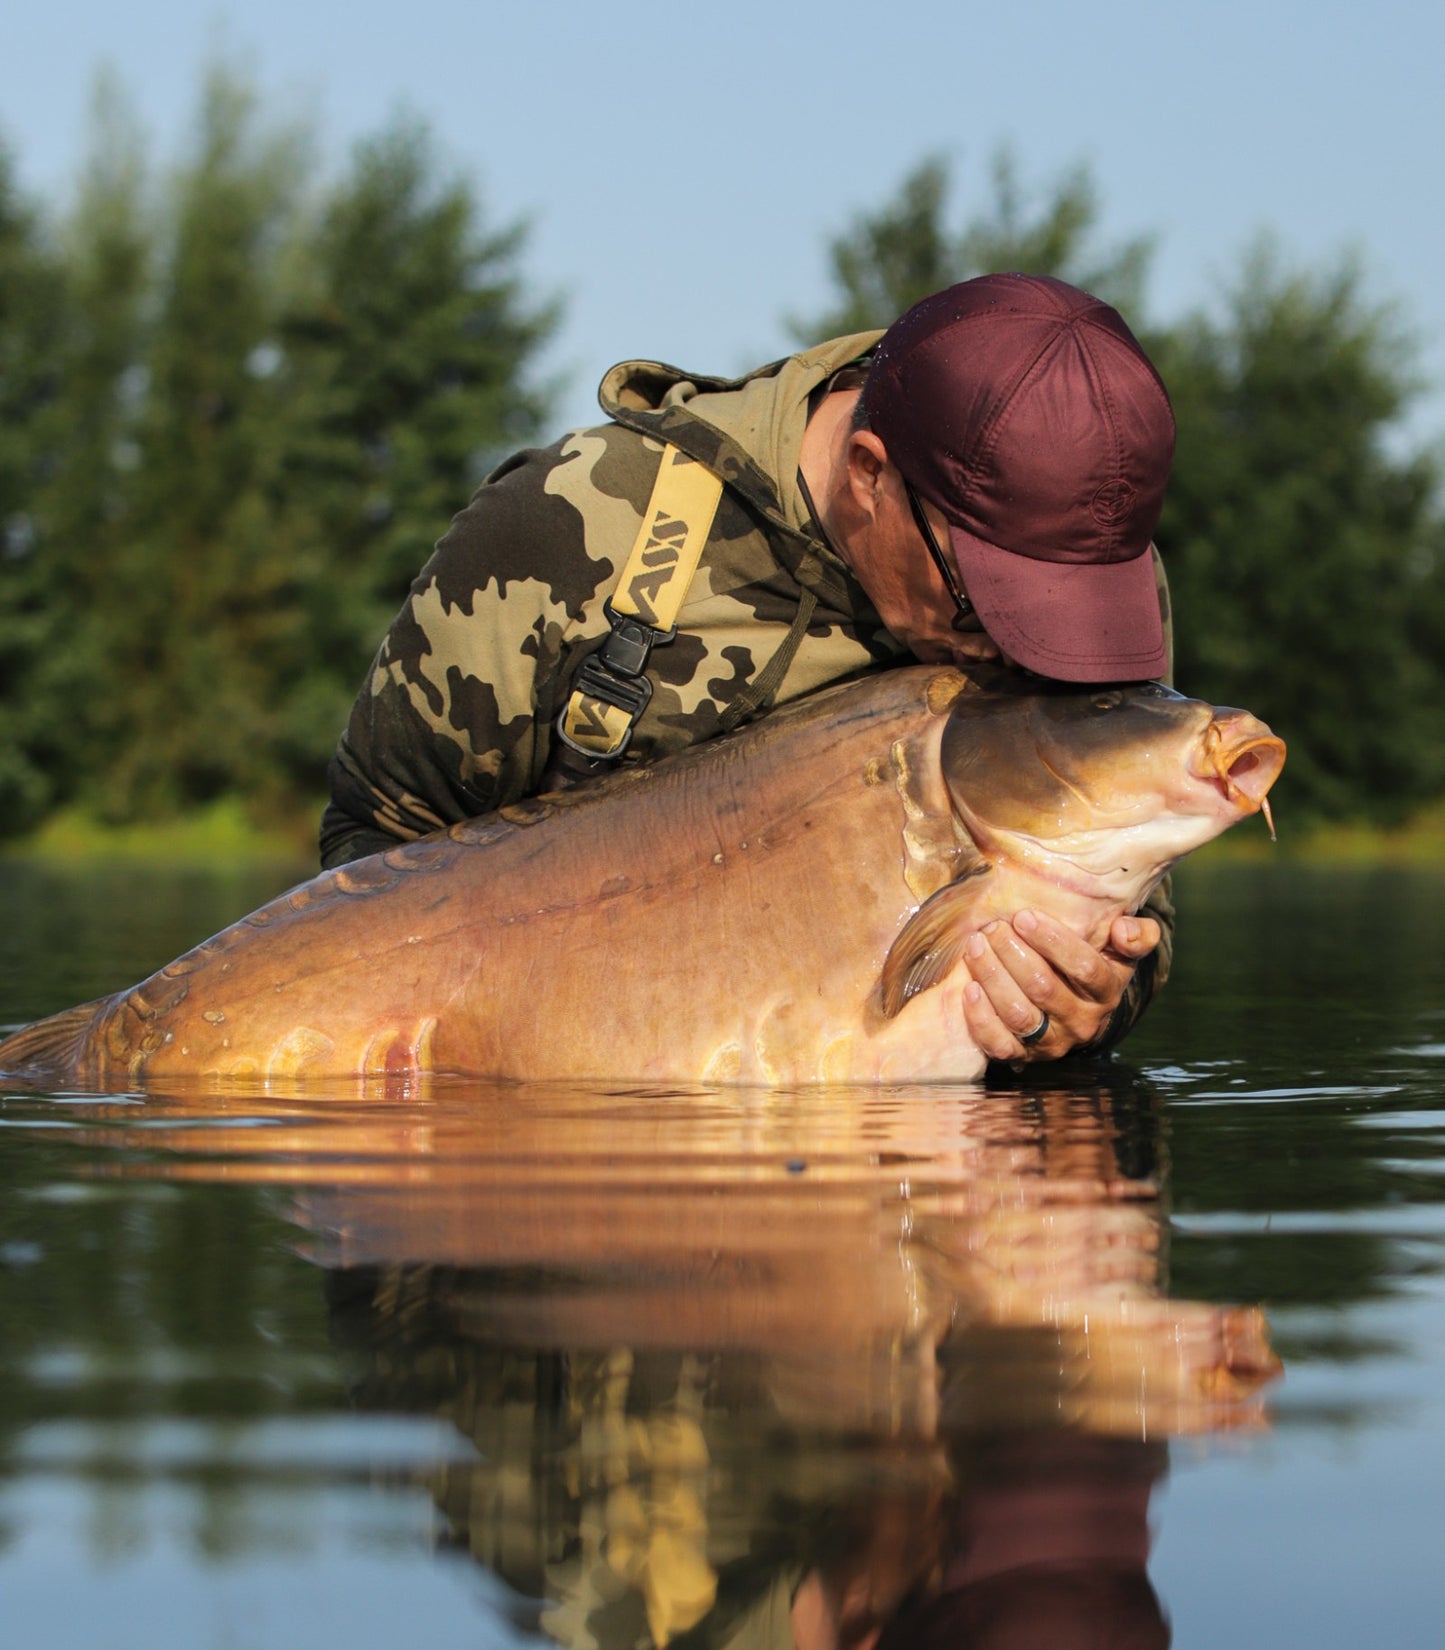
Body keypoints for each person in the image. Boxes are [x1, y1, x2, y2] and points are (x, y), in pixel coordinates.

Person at [320, 272, 1177, 1064]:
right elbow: (370, 860)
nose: (1017, 642)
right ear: (869, 473)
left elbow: (1140, 907)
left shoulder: (1083, 593)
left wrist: (1096, 997)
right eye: (982, 593)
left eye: (1060, 604)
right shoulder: (569, 529)